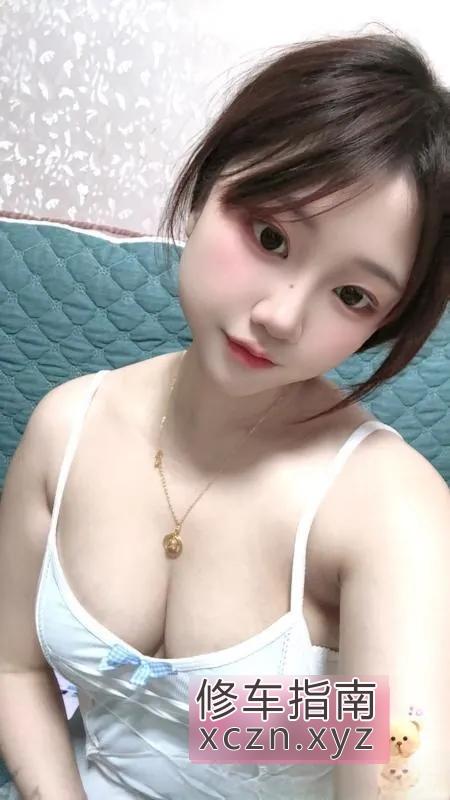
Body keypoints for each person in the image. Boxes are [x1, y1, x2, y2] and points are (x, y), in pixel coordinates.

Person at [0, 30, 449, 800]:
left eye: (353, 295)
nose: (281, 316)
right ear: (206, 184)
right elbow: (14, 667)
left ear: (383, 323)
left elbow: (401, 765)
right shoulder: (65, 429)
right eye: (270, 236)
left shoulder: (391, 510)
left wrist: (280, 721)